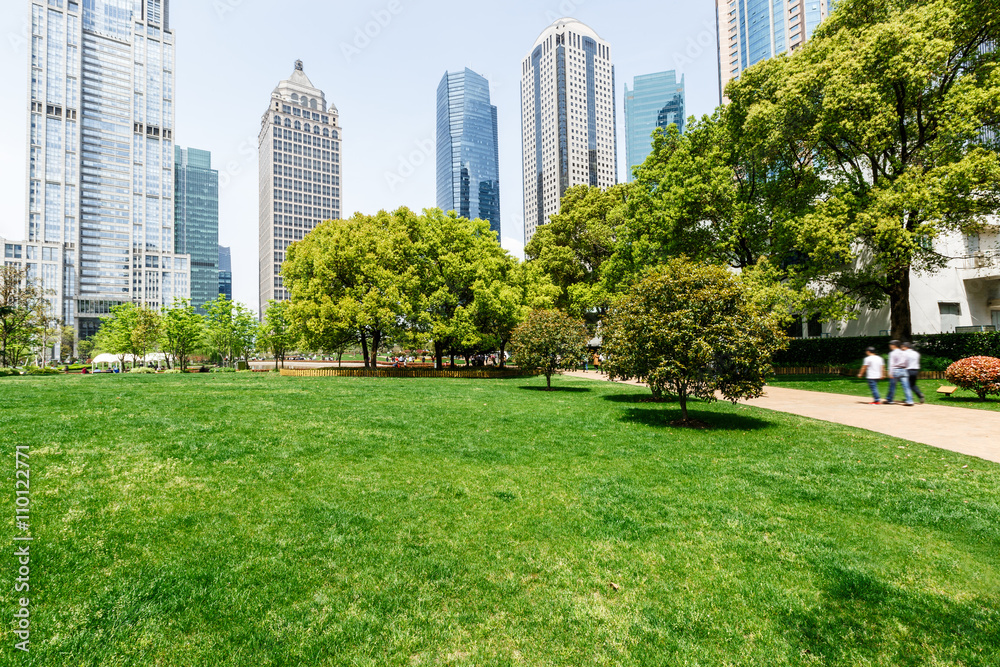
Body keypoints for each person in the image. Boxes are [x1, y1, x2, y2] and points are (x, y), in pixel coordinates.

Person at [885, 340, 914, 406]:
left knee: (892, 385)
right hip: (904, 370)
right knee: (906, 386)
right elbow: (907, 362)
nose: (890, 346)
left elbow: (891, 363)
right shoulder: (904, 353)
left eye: (890, 345)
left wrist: (890, 372)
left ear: (893, 345)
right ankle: (910, 400)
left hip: (895, 370)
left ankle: (890, 399)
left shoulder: (892, 353)